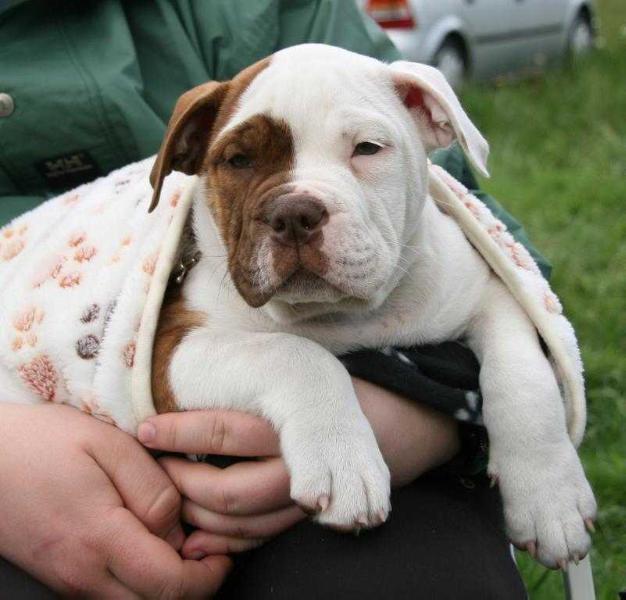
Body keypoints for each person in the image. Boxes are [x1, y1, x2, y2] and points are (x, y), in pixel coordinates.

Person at [0, 1, 549, 597]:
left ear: (434, 121)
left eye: (364, 149)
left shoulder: (270, 16)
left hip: (357, 456)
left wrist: (438, 411)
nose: (296, 211)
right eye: (241, 159)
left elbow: (509, 271)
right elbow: (165, 351)